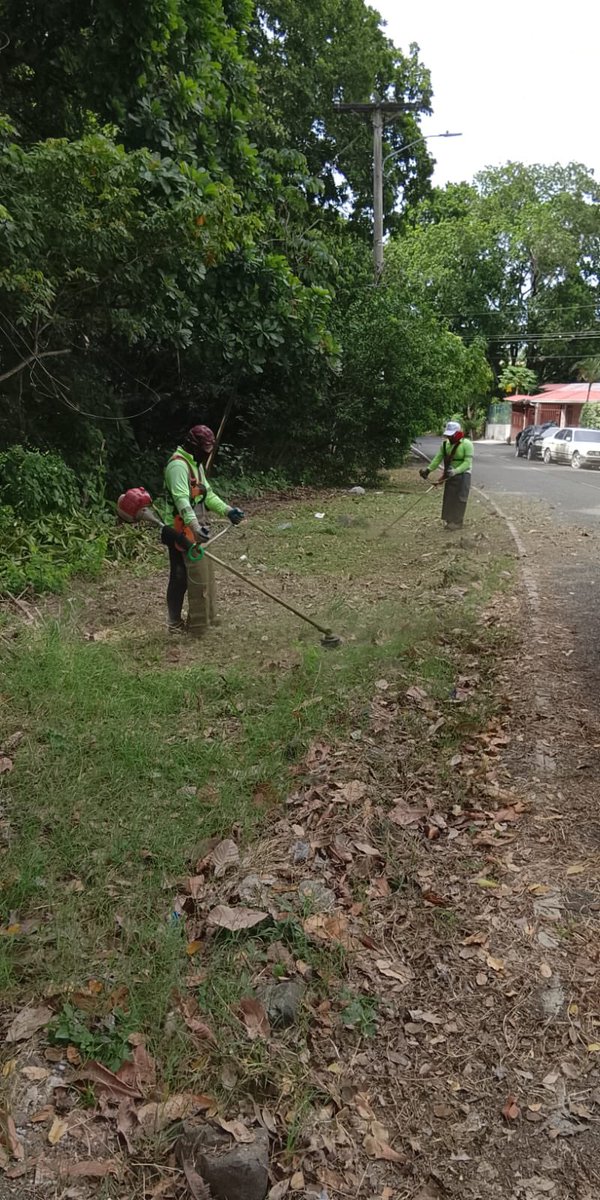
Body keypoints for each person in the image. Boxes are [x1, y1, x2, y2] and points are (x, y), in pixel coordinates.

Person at [164, 425, 244, 635]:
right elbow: (182, 501)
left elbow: (206, 495)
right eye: (204, 450)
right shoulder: (178, 466)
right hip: (179, 529)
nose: (206, 454)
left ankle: (205, 620)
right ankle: (179, 624)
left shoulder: (195, 464)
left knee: (201, 574)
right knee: (181, 576)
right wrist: (196, 527)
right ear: (192, 446)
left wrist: (227, 511)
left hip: (195, 527)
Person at [419, 420, 474, 530]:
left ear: (458, 433)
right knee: (449, 497)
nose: (449, 438)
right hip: (449, 473)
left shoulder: (467, 444)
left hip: (463, 474)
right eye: (448, 435)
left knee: (460, 498)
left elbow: (467, 463)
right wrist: (428, 470)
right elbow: (437, 459)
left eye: (452, 435)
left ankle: (457, 522)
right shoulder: (445, 445)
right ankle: (449, 520)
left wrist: (456, 471)